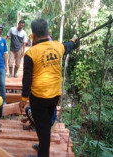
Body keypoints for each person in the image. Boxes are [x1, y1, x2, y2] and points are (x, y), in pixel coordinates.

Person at [19, 18, 78, 157]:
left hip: (39, 97)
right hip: (55, 95)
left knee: (42, 127)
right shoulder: (58, 46)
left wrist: (23, 98)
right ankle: (42, 146)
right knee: (44, 125)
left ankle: (43, 154)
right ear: (48, 32)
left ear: (32, 34)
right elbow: (68, 46)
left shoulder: (31, 53)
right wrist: (74, 40)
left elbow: (27, 79)